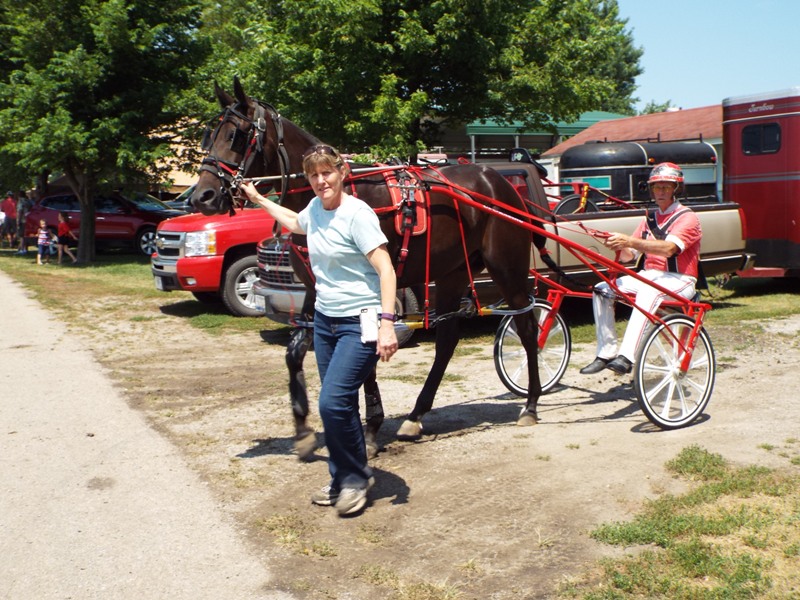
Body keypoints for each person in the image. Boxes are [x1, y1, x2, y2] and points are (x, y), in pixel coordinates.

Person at [240, 144, 398, 516]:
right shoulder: (314, 209)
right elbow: (295, 222)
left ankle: (356, 479)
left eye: (327, 172)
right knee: (339, 405)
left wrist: (387, 323)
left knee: (331, 402)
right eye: (313, 174)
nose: (320, 180)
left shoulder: (357, 215)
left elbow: (386, 269)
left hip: (359, 321)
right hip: (326, 321)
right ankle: (344, 476)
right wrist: (258, 198)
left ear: (342, 173)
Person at [580, 162, 702, 376]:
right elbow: (630, 255)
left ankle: (627, 357)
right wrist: (617, 244)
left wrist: (630, 241)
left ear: (676, 189)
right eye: (656, 187)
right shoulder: (650, 219)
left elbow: (669, 249)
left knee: (648, 291)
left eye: (666, 186)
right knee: (602, 289)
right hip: (650, 276)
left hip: (680, 279)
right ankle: (606, 353)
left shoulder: (687, 217)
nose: (660, 191)